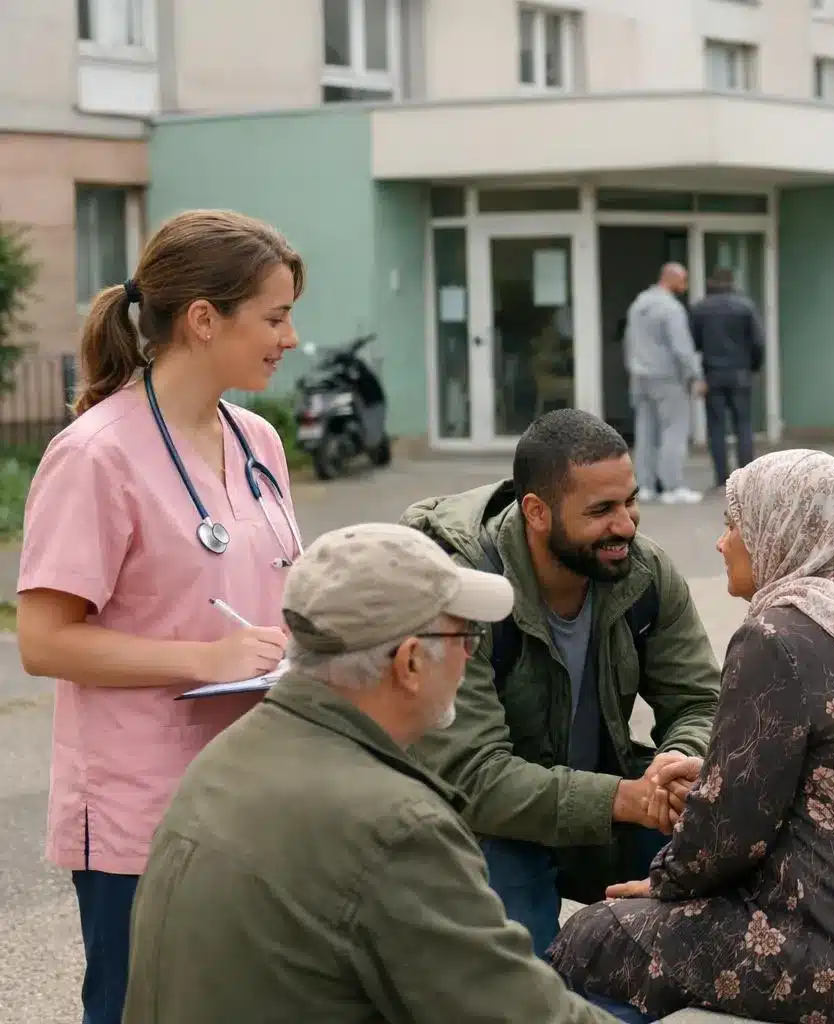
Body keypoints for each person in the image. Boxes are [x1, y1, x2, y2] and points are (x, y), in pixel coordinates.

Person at [551, 450, 834, 1023]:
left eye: (734, 524)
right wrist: (716, 774)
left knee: (595, 934)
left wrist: (663, 884)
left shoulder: (776, 636)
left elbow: (728, 834)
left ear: (785, 529)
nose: (722, 543)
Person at [122, 523, 620, 1023]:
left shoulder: (226, 758)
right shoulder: (395, 825)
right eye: (465, 636)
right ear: (409, 663)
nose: (470, 655)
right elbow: (520, 1014)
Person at [15, 209, 305, 1024]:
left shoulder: (257, 441)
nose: (289, 338)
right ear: (204, 320)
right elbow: (43, 641)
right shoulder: (94, 454)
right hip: (140, 811)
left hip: (253, 794)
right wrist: (206, 659)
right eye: (275, 317)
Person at [402, 408, 720, 956]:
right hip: (485, 827)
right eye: (601, 510)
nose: (626, 525)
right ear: (536, 512)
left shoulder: (644, 573)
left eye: (630, 501)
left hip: (600, 810)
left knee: (736, 882)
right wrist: (624, 798)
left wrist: (676, 764)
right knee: (522, 976)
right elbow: (473, 777)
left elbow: (701, 702)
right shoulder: (464, 591)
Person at [624, 262, 704, 504]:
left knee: (645, 432)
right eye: (684, 280)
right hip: (668, 377)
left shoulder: (638, 304)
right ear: (672, 278)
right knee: (674, 430)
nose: (685, 286)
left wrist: (633, 367)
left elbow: (629, 341)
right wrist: (695, 375)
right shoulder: (671, 309)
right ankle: (672, 486)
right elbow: (681, 347)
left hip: (640, 376)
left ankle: (645, 486)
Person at [689, 266, 765, 488]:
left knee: (716, 427)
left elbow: (693, 343)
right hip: (740, 373)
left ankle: (721, 476)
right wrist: (753, 367)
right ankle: (746, 475)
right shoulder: (745, 306)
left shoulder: (700, 308)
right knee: (743, 425)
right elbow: (758, 342)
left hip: (712, 373)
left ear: (711, 282)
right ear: (732, 283)